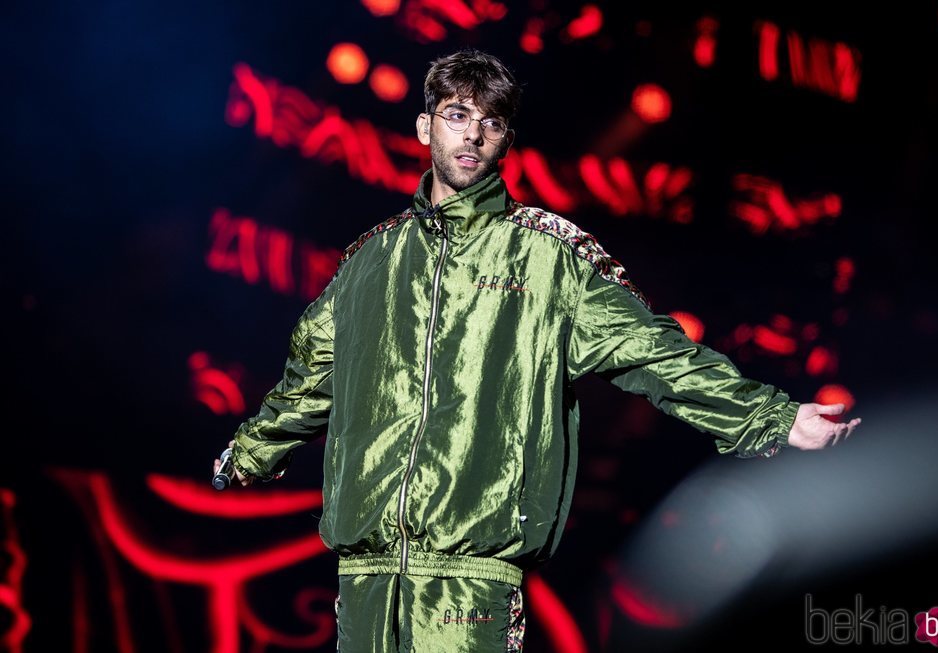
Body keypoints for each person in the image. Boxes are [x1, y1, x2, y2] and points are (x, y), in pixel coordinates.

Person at [213, 48, 861, 653]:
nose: (471, 134)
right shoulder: (371, 259)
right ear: (423, 127)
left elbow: (651, 350)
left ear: (506, 141)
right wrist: (250, 453)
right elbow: (308, 377)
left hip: (471, 577)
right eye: (457, 115)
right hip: (365, 576)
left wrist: (772, 417)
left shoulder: (548, 254)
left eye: (490, 122)